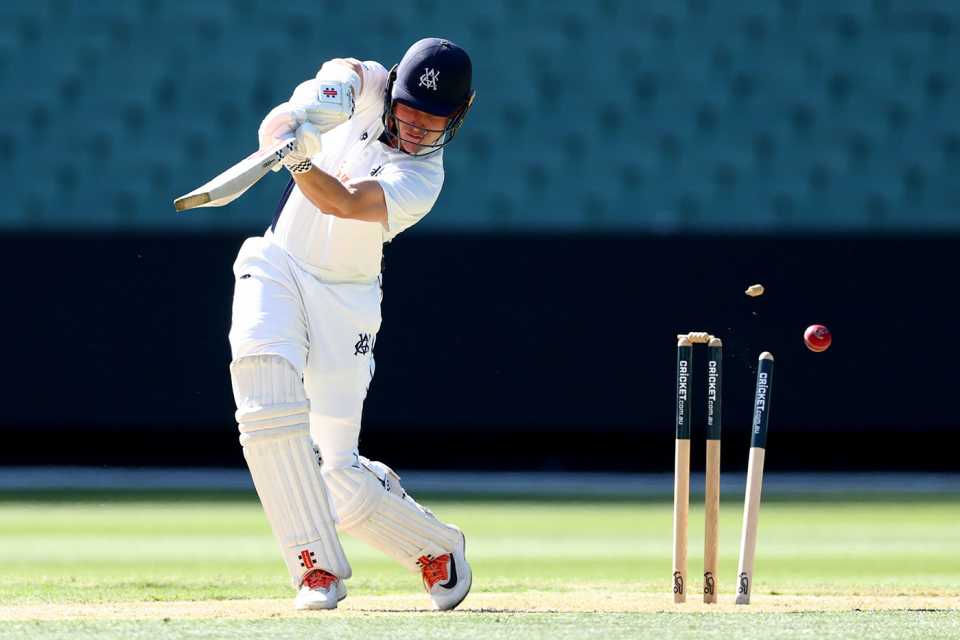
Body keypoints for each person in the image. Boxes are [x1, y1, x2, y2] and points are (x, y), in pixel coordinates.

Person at [226, 38, 475, 611]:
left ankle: (434, 545)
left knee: (336, 472)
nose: (416, 128)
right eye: (410, 109)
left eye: (433, 119)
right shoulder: (368, 86)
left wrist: (296, 159)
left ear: (458, 116)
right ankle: (314, 568)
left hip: (347, 302)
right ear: (393, 92)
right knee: (265, 398)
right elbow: (325, 89)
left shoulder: (423, 181)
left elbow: (338, 201)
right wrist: (290, 120)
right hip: (280, 262)